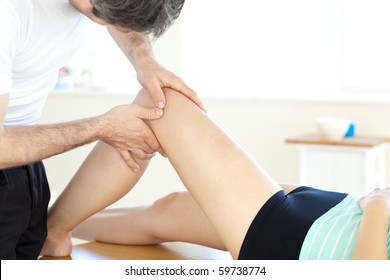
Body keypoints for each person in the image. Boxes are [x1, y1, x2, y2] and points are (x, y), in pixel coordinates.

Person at [42, 88, 390, 260]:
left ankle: (51, 229)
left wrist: (378, 207)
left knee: (160, 102)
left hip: (298, 242)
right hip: (331, 211)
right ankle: (45, 227)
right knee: (167, 210)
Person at [0, 0, 203, 260]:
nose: (101, 21)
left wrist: (145, 60)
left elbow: (120, 16)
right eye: (98, 13)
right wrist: (103, 127)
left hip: (26, 165)